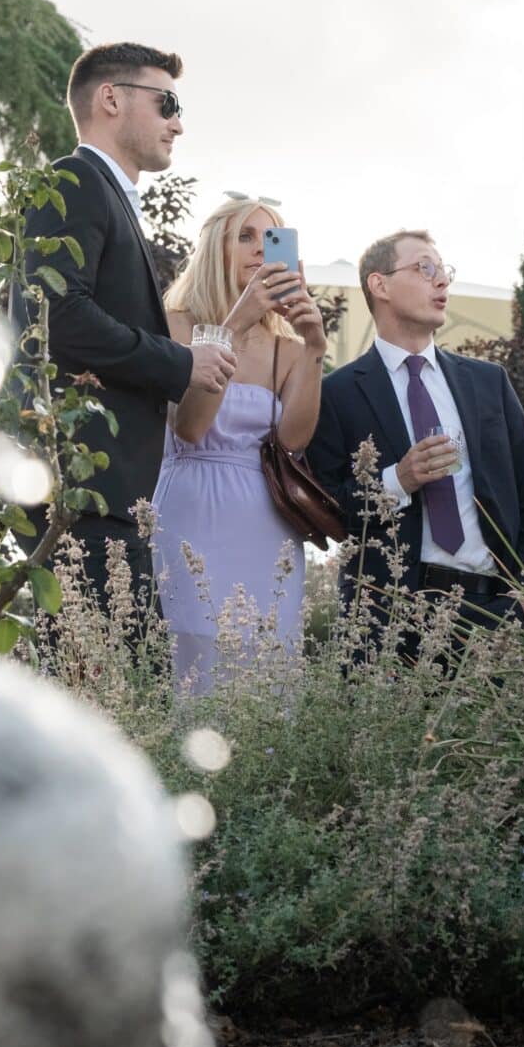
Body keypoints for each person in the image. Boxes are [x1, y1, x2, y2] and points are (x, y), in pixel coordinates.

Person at [17, 42, 236, 599]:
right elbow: (58, 315)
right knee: (103, 656)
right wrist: (180, 362)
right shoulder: (75, 180)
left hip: (106, 498)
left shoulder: (106, 193)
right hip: (79, 494)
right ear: (111, 99)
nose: (178, 124)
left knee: (123, 656)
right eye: (167, 104)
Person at [307, 229, 524, 629]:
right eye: (425, 268)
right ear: (380, 284)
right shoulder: (336, 393)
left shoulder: (489, 382)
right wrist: (397, 481)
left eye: (443, 271)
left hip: (493, 613)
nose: (442, 281)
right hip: (386, 617)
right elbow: (328, 511)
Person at [151, 197, 327, 693]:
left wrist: (315, 347)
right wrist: (234, 324)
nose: (259, 249)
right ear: (215, 249)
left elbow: (293, 440)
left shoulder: (288, 349)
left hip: (267, 522)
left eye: (270, 238)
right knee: (194, 651)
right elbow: (190, 426)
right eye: (245, 236)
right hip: (190, 509)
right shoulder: (173, 324)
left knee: (267, 654)